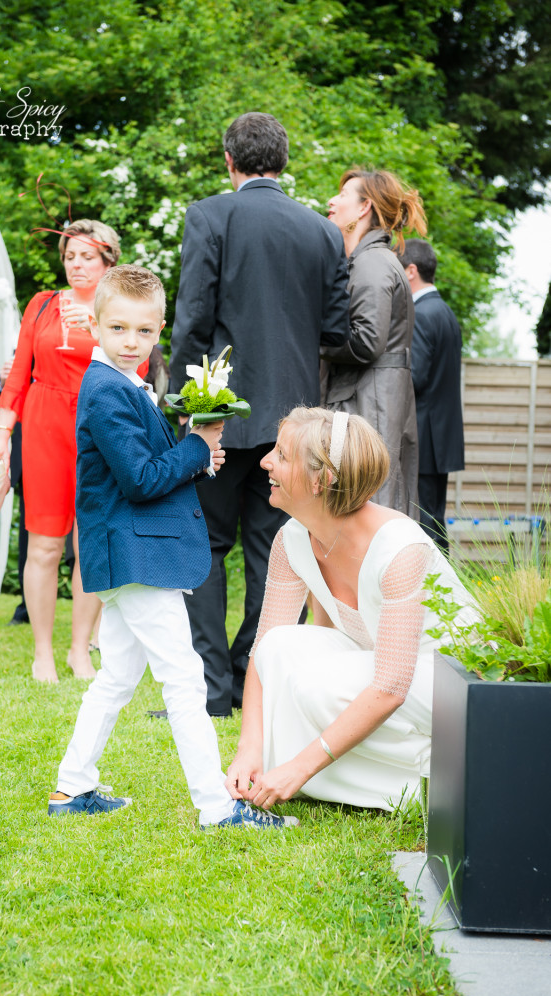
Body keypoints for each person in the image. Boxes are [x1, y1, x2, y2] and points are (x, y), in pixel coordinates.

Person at [48, 265, 298, 830]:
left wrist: (196, 458)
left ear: (159, 329)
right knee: (184, 677)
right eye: (117, 329)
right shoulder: (107, 390)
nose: (130, 341)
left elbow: (147, 472)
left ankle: (72, 787)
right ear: (94, 325)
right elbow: (138, 479)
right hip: (136, 557)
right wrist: (193, 448)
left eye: (142, 331)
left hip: (132, 554)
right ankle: (217, 807)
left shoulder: (126, 384)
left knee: (117, 676)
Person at [169, 111, 350, 717]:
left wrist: (185, 410)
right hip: (293, 422)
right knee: (275, 553)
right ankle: (257, 687)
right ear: (285, 160)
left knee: (205, 547)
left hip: (221, 414)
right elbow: (333, 328)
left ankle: (209, 691)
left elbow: (193, 318)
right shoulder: (322, 233)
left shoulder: (209, 216)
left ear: (229, 161)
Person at [226, 407, 477, 812]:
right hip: (385, 669)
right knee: (278, 646)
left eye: (283, 455)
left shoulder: (400, 549)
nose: (265, 461)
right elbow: (261, 653)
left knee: (316, 684)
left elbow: (391, 686)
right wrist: (248, 749)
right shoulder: (291, 541)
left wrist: (300, 767)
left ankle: (428, 783)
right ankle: (316, 775)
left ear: (321, 480)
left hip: (452, 684)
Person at [0, 219, 142, 682]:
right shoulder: (43, 304)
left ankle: (79, 650)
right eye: (70, 256)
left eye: (86, 256)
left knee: (89, 541)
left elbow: (138, 364)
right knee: (45, 543)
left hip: (100, 426)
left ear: (108, 259)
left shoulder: (121, 308)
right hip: (45, 424)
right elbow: (18, 377)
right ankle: (43, 654)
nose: (76, 265)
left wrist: (95, 332)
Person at [322, 168, 427, 517]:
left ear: (365, 206)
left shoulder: (371, 264)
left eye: (342, 196)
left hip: (370, 404)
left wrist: (314, 340)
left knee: (369, 510)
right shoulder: (371, 260)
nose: (331, 202)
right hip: (374, 400)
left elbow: (366, 341)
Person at [397, 239, 465, 553]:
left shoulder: (421, 313)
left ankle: (433, 598)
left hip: (424, 438)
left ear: (411, 271)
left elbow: (416, 377)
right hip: (440, 439)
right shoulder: (445, 312)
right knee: (434, 522)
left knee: (424, 526)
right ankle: (444, 598)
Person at [0, 358, 29, 625]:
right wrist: (4, 383)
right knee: (29, 541)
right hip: (30, 453)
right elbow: (7, 402)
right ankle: (27, 605)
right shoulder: (30, 339)